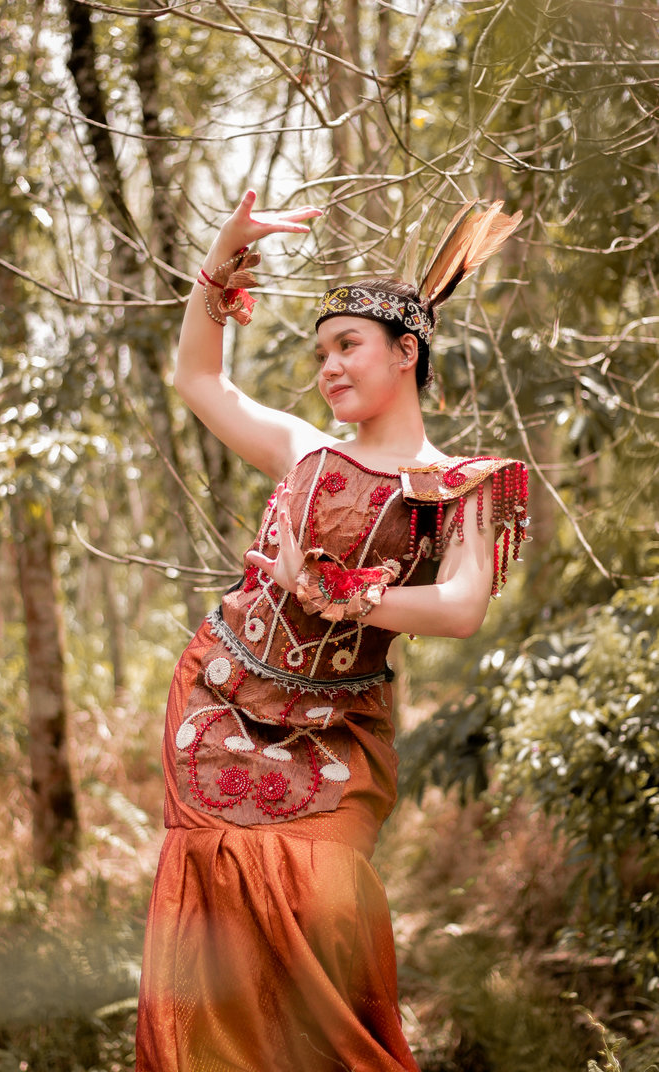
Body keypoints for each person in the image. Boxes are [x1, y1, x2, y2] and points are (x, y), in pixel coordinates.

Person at [135, 191, 528, 1072]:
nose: (329, 369)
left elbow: (461, 608)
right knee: (212, 937)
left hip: (339, 736)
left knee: (325, 922)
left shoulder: (467, 485)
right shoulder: (307, 453)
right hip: (219, 705)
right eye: (321, 354)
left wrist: (328, 593)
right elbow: (200, 381)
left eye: (347, 346)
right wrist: (224, 256)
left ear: (407, 351)